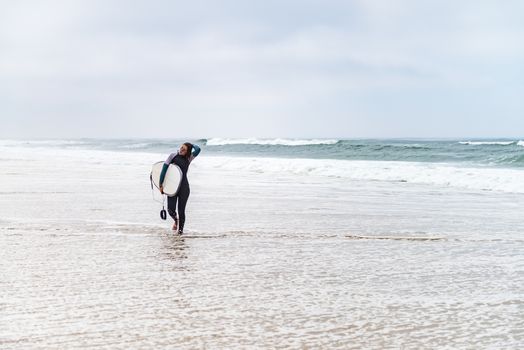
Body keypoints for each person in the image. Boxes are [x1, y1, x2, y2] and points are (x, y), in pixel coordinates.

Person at [159, 142, 201, 234]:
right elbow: (164, 170)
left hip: (184, 188)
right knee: (170, 210)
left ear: (188, 152)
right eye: (181, 147)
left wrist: (190, 145)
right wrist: (160, 184)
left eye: (184, 149)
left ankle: (180, 232)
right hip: (172, 187)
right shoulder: (172, 156)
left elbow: (198, 149)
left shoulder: (189, 158)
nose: (182, 150)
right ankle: (176, 220)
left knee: (181, 211)